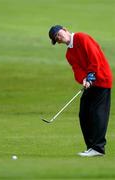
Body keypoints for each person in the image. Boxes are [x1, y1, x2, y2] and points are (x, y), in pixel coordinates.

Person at [48, 25, 113, 157]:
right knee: (84, 114)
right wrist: (83, 79)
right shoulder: (69, 54)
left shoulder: (81, 37)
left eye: (59, 34)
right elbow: (77, 70)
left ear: (65, 30)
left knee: (98, 114)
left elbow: (94, 58)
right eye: (57, 38)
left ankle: (98, 148)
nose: (59, 38)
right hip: (89, 84)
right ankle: (91, 147)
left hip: (102, 79)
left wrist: (90, 76)